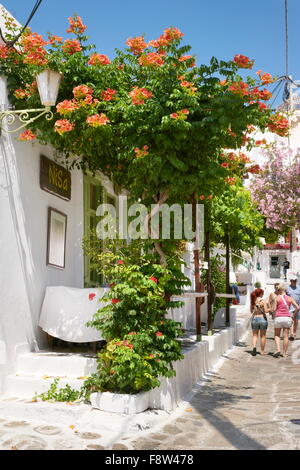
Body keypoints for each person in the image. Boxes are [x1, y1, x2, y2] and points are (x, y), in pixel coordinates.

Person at [273, 283, 300, 358]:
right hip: (287, 318)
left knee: (277, 335)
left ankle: (278, 349)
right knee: (286, 336)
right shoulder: (289, 298)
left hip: (278, 318)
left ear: (279, 290)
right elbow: (298, 307)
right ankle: (284, 353)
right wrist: (293, 316)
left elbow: (274, 309)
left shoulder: (277, 298)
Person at [250, 288, 268, 356]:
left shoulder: (253, 301)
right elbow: (266, 311)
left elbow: (251, 312)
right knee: (263, 336)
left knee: (255, 335)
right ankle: (262, 351)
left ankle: (254, 347)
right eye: (262, 293)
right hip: (262, 318)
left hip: (255, 319)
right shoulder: (263, 301)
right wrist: (270, 309)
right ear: (260, 294)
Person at [286, 276, 300, 340]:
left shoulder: (299, 288)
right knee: (291, 320)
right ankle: (291, 333)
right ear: (290, 281)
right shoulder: (287, 288)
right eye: (293, 281)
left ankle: (294, 332)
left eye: (295, 281)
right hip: (290, 306)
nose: (294, 282)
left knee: (296, 320)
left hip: (298, 306)